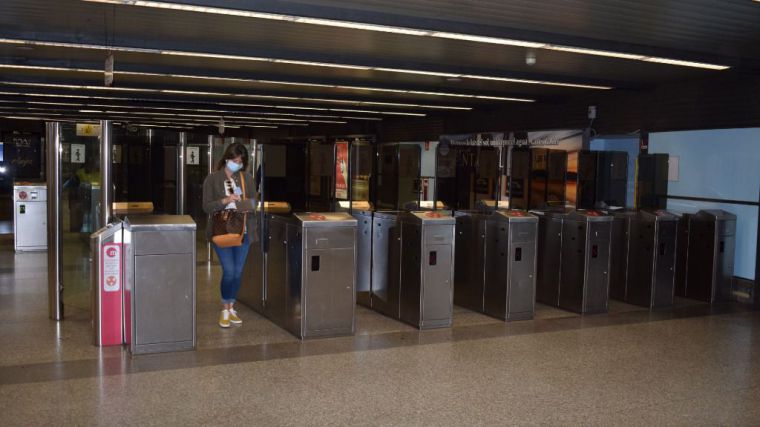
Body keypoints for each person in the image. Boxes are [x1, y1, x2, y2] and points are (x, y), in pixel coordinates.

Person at [202, 143, 256, 328]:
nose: (237, 164)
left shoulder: (246, 178)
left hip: (243, 232)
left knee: (238, 272)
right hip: (221, 230)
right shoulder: (213, 179)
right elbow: (206, 206)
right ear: (227, 159)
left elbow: (254, 203)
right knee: (229, 271)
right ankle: (224, 308)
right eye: (234, 161)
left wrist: (241, 203)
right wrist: (225, 201)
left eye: (241, 162)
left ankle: (231, 307)